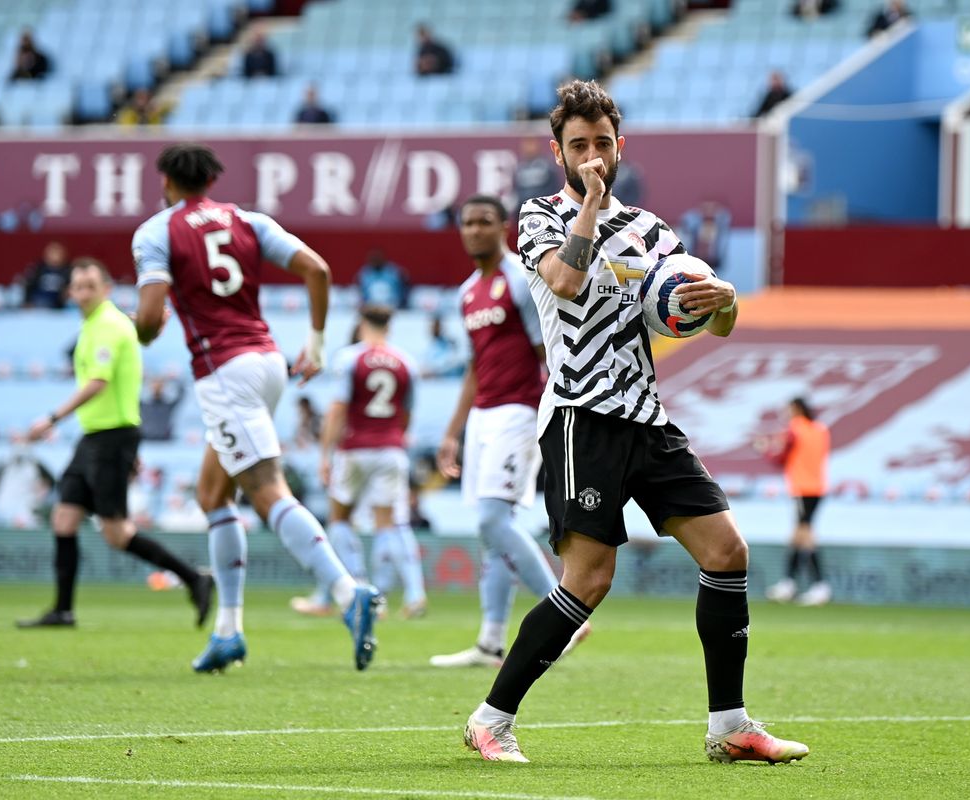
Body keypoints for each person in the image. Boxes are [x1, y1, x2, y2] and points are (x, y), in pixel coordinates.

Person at [461, 80, 808, 765]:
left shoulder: (653, 231)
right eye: (577, 146)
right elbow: (563, 282)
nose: (590, 156)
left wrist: (725, 298)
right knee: (588, 580)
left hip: (647, 418)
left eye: (601, 145)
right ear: (559, 153)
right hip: (579, 418)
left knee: (727, 552)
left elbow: (706, 322)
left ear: (620, 146)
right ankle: (490, 719)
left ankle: (730, 725)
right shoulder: (537, 216)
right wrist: (589, 202)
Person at [132, 143, 381, 673]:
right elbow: (316, 269)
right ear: (210, 180)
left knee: (267, 491)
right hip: (266, 362)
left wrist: (141, 329)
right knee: (212, 493)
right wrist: (314, 342)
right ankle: (229, 631)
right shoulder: (247, 220)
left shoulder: (157, 231)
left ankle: (345, 591)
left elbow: (151, 318)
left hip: (223, 372)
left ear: (167, 183)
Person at [430, 194, 588, 669]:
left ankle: (568, 620)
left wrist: (563, 408)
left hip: (520, 411)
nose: (475, 229)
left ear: (503, 227)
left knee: (492, 521)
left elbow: (548, 349)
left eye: (485, 222)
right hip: (482, 416)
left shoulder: (520, 278)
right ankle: (491, 642)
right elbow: (476, 366)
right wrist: (453, 430)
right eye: (468, 222)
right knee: (493, 533)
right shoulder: (466, 293)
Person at [15, 259, 214, 629]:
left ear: (106, 289)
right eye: (79, 286)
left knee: (117, 532)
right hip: (94, 437)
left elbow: (98, 382)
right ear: (70, 292)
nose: (84, 292)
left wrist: (51, 419)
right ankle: (63, 610)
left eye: (91, 285)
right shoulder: (97, 325)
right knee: (64, 516)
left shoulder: (106, 325)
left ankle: (193, 578)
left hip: (111, 437)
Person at [293, 305, 428, 619]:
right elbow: (407, 414)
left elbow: (337, 410)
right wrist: (394, 437)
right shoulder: (406, 362)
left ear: (361, 324)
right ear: (390, 326)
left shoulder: (350, 358)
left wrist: (325, 454)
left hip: (355, 448)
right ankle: (413, 593)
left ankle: (360, 588)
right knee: (390, 523)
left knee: (340, 519)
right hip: (392, 448)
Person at [762, 398, 832, 606]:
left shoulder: (795, 429)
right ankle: (789, 584)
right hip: (818, 487)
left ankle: (818, 586)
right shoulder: (820, 429)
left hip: (802, 488)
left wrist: (766, 449)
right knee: (798, 536)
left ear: (797, 409)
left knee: (805, 536)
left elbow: (780, 458)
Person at [0, 438, 55, 528]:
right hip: (3, 507)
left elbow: (51, 482)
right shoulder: (3, 463)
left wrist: (42, 489)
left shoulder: (36, 464)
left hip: (28, 506)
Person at [18, 242, 71, 309]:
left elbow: (70, 288)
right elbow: (29, 286)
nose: (54, 256)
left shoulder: (67, 270)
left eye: (57, 253)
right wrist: (27, 301)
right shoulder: (38, 269)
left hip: (59, 304)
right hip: (39, 302)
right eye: (52, 253)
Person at [513, 138, 563, 209]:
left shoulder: (547, 166)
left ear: (538, 146)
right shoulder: (520, 169)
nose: (528, 148)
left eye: (531, 144)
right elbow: (517, 193)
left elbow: (554, 189)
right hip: (525, 209)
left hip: (545, 208)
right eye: (526, 145)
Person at [139, 377, 184, 442]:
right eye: (154, 385)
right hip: (147, 440)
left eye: (159, 385)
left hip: (164, 441)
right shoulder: (144, 406)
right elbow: (131, 393)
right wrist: (142, 379)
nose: (157, 388)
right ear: (150, 387)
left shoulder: (168, 406)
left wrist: (173, 378)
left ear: (163, 387)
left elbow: (182, 392)